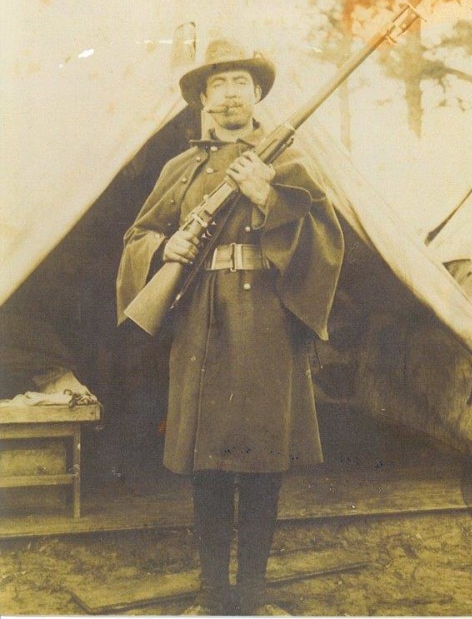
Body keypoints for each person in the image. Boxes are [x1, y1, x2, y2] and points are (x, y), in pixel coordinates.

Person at [116, 38, 344, 616]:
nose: (230, 95)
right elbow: (137, 238)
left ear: (257, 94)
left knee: (264, 463)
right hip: (201, 328)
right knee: (208, 467)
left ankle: (252, 599)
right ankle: (216, 596)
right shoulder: (179, 168)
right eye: (217, 85)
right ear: (202, 100)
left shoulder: (286, 162)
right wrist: (169, 243)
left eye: (241, 82)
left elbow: (327, 240)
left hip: (267, 327)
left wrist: (266, 194)